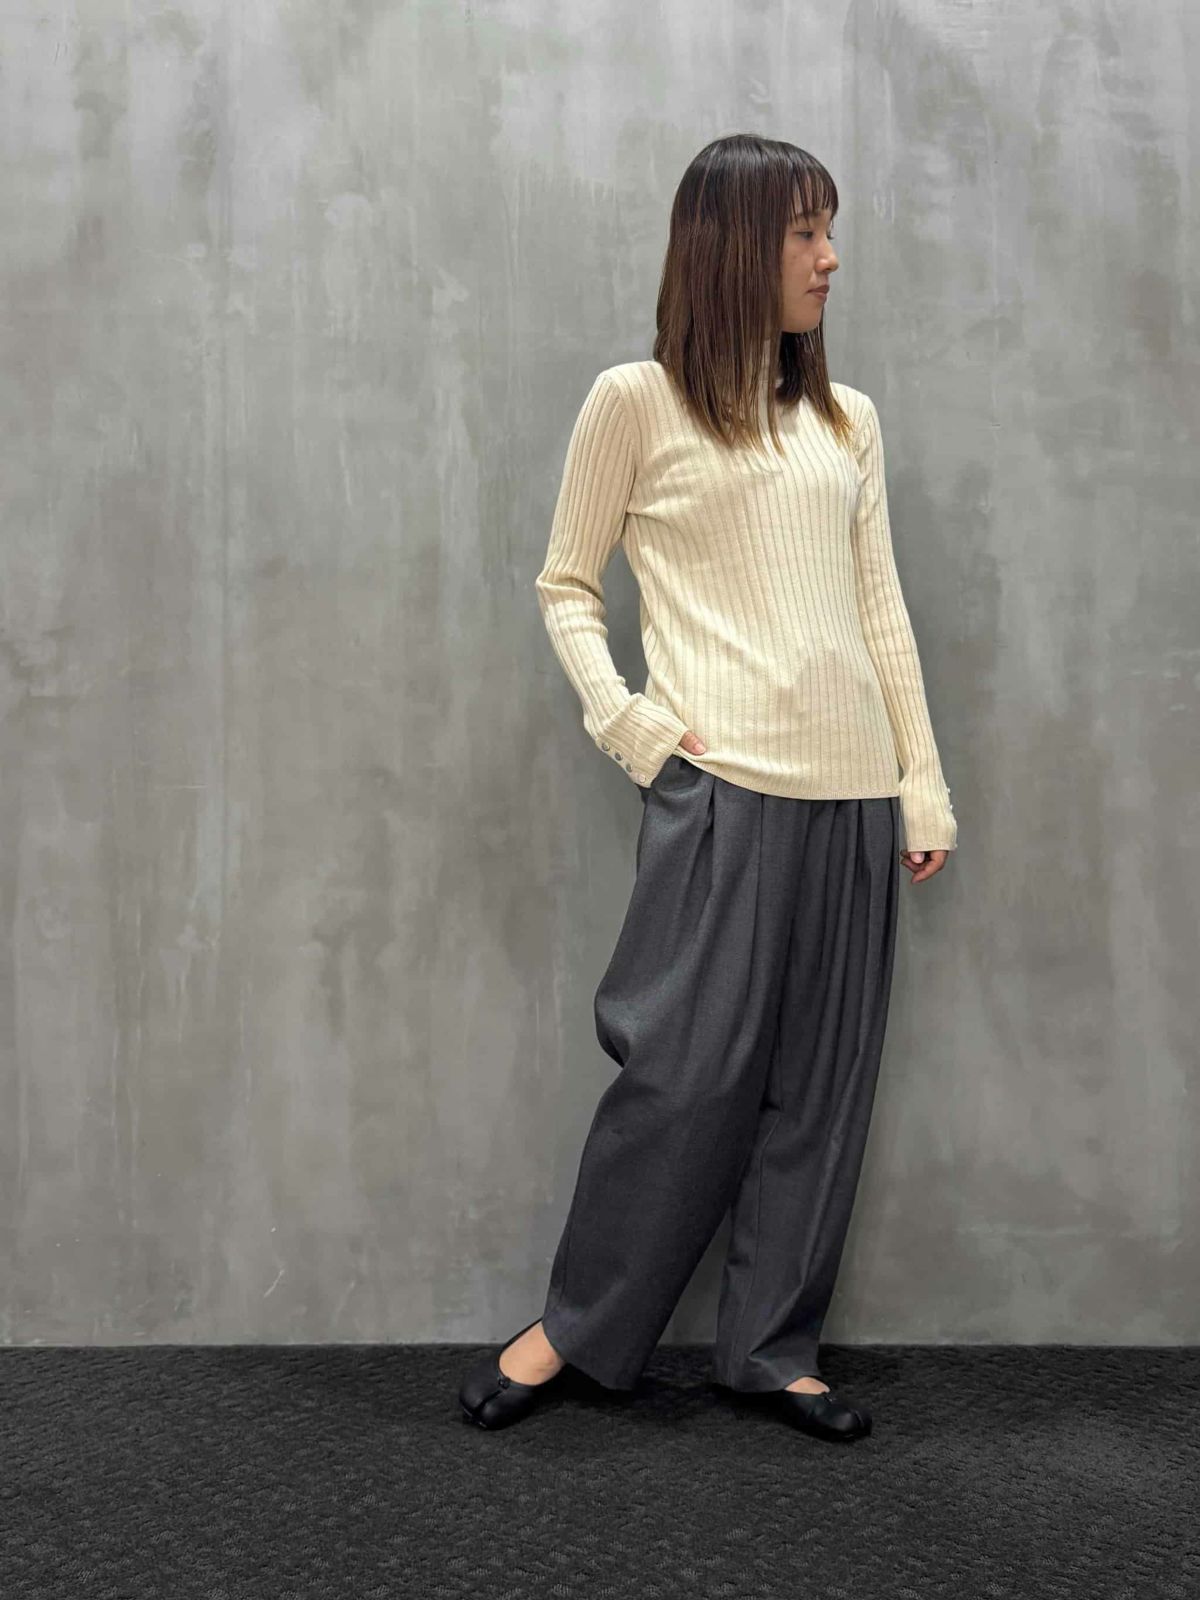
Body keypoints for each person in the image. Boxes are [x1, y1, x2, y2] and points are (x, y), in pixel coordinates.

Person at [460, 133, 957, 1443]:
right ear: (732, 245)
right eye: (804, 232)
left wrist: (921, 784)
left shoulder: (847, 422)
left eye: (829, 230)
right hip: (722, 787)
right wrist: (633, 728)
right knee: (682, 1080)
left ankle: (770, 1351)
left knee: (821, 1089)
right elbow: (566, 584)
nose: (830, 258)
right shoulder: (635, 403)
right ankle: (572, 1330)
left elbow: (880, 607)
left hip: (855, 797)